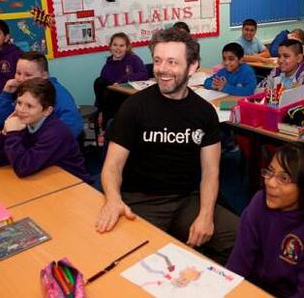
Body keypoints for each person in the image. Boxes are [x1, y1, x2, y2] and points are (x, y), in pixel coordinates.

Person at [95, 28, 238, 264]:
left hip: (187, 199)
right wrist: (112, 199)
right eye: (158, 60)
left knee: (239, 239)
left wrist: (205, 215)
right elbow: (112, 166)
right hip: (141, 200)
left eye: (172, 62)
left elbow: (211, 171)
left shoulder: (204, 113)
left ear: (192, 66)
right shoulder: (134, 107)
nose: (162, 69)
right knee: (133, 261)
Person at [226, 143, 304, 298]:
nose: (270, 183)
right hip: (258, 287)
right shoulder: (259, 201)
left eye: (284, 178)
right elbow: (239, 263)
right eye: (270, 172)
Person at [0, 78, 89, 181]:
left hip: (73, 185)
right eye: (19, 103)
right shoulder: (25, 122)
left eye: (29, 106)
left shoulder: (55, 132)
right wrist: (5, 133)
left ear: (47, 111)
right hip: (46, 178)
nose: (21, 110)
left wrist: (13, 134)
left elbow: (23, 168)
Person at [0, 51, 83, 138]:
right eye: (18, 73)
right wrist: (6, 94)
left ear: (44, 76)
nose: (21, 79)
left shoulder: (56, 92)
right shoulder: (20, 91)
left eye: (28, 75)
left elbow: (73, 124)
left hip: (46, 147)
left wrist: (42, 141)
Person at [94, 33, 148, 127]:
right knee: (99, 82)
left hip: (127, 95)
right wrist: (99, 110)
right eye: (115, 45)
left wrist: (122, 80)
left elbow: (144, 74)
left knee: (108, 94)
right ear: (110, 47)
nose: (118, 48)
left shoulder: (133, 59)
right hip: (110, 99)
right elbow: (101, 90)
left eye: (121, 45)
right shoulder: (108, 64)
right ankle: (107, 125)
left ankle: (108, 127)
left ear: (127, 47)